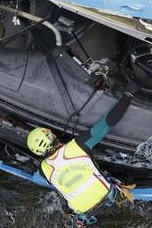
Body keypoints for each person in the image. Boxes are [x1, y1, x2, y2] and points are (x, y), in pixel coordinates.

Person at [26, 88, 137, 226]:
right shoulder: (79, 145)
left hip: (88, 217)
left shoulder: (43, 170)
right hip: (109, 200)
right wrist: (128, 96)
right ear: (51, 134)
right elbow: (107, 123)